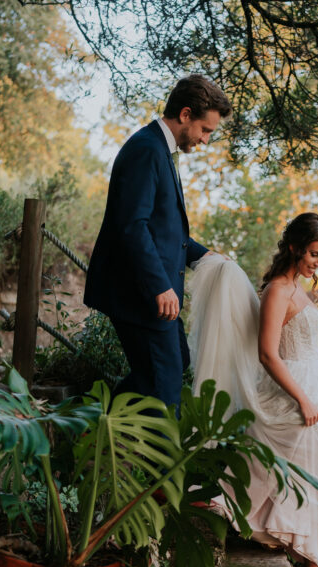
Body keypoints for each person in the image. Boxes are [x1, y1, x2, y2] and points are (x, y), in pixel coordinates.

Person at [186, 213, 318, 567]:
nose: (317, 263)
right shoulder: (278, 290)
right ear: (293, 247)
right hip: (290, 395)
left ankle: (229, 505)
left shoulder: (297, 289)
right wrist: (302, 398)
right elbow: (266, 354)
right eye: (312, 254)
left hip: (309, 393)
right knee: (312, 473)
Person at [84, 75, 231, 409]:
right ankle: (164, 460)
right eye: (205, 130)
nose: (205, 140)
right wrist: (159, 286)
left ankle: (99, 424)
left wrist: (206, 256)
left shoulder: (160, 150)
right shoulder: (147, 150)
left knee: (174, 362)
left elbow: (166, 233)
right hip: (142, 294)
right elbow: (132, 226)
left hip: (154, 294)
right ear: (185, 114)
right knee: (164, 391)